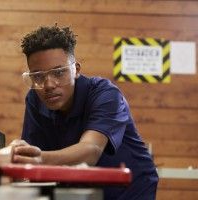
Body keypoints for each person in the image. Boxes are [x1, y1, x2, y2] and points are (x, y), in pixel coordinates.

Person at [10, 24, 158, 200]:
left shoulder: (106, 94)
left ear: (76, 70)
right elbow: (35, 152)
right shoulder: (35, 99)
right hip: (83, 189)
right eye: (38, 76)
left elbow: (91, 150)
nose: (49, 85)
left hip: (130, 190)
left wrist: (37, 158)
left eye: (59, 72)